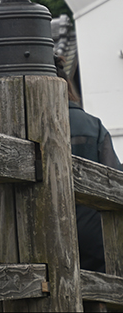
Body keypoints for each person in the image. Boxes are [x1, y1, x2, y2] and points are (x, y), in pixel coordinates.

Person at [55, 56, 122, 273]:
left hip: (48, 232)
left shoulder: (26, 125)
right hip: (95, 235)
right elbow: (115, 178)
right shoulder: (93, 126)